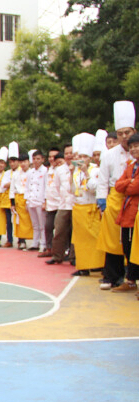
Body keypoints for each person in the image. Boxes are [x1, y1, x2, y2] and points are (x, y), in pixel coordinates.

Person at [97, 101, 136, 290]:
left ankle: (132, 276)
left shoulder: (136, 153)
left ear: (133, 131)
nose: (123, 137)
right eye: (120, 133)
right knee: (113, 240)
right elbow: (103, 181)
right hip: (115, 200)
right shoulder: (109, 155)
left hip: (134, 200)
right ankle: (113, 276)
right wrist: (102, 203)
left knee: (132, 240)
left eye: (127, 133)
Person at [69, 133, 105, 277]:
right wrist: (70, 175)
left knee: (94, 237)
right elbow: (72, 190)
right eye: (79, 157)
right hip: (78, 208)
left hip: (90, 207)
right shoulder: (76, 172)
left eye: (84, 157)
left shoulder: (95, 170)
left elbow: (93, 188)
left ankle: (98, 264)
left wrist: (86, 172)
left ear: (90, 158)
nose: (81, 160)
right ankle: (83, 266)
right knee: (80, 240)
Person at [111, 133, 139, 291]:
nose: (134, 149)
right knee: (128, 247)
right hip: (128, 213)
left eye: (137, 146)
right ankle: (131, 280)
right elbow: (118, 185)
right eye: (132, 146)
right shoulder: (131, 166)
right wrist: (130, 181)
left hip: (136, 212)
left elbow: (136, 187)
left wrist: (129, 185)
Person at [46, 150, 73, 265]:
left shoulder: (80, 168)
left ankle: (73, 257)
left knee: (75, 233)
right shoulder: (59, 169)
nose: (69, 156)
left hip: (77, 204)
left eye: (71, 153)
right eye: (66, 153)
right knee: (59, 230)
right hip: (63, 204)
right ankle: (57, 255)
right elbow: (57, 186)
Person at [25, 150, 47, 253]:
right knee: (34, 224)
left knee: (42, 224)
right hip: (31, 199)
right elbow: (27, 186)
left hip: (40, 199)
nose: (36, 161)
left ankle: (43, 243)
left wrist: (45, 201)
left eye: (38, 159)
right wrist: (26, 200)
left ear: (42, 159)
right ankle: (35, 242)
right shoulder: (30, 172)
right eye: (34, 159)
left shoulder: (45, 171)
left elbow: (46, 187)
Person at [11, 153, 33, 250]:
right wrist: (12, 203)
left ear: (28, 162)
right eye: (21, 162)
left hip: (30, 198)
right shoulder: (16, 174)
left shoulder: (32, 173)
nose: (23, 164)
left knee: (32, 221)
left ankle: (36, 240)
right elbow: (12, 189)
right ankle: (22, 240)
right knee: (19, 221)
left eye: (24, 162)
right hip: (19, 198)